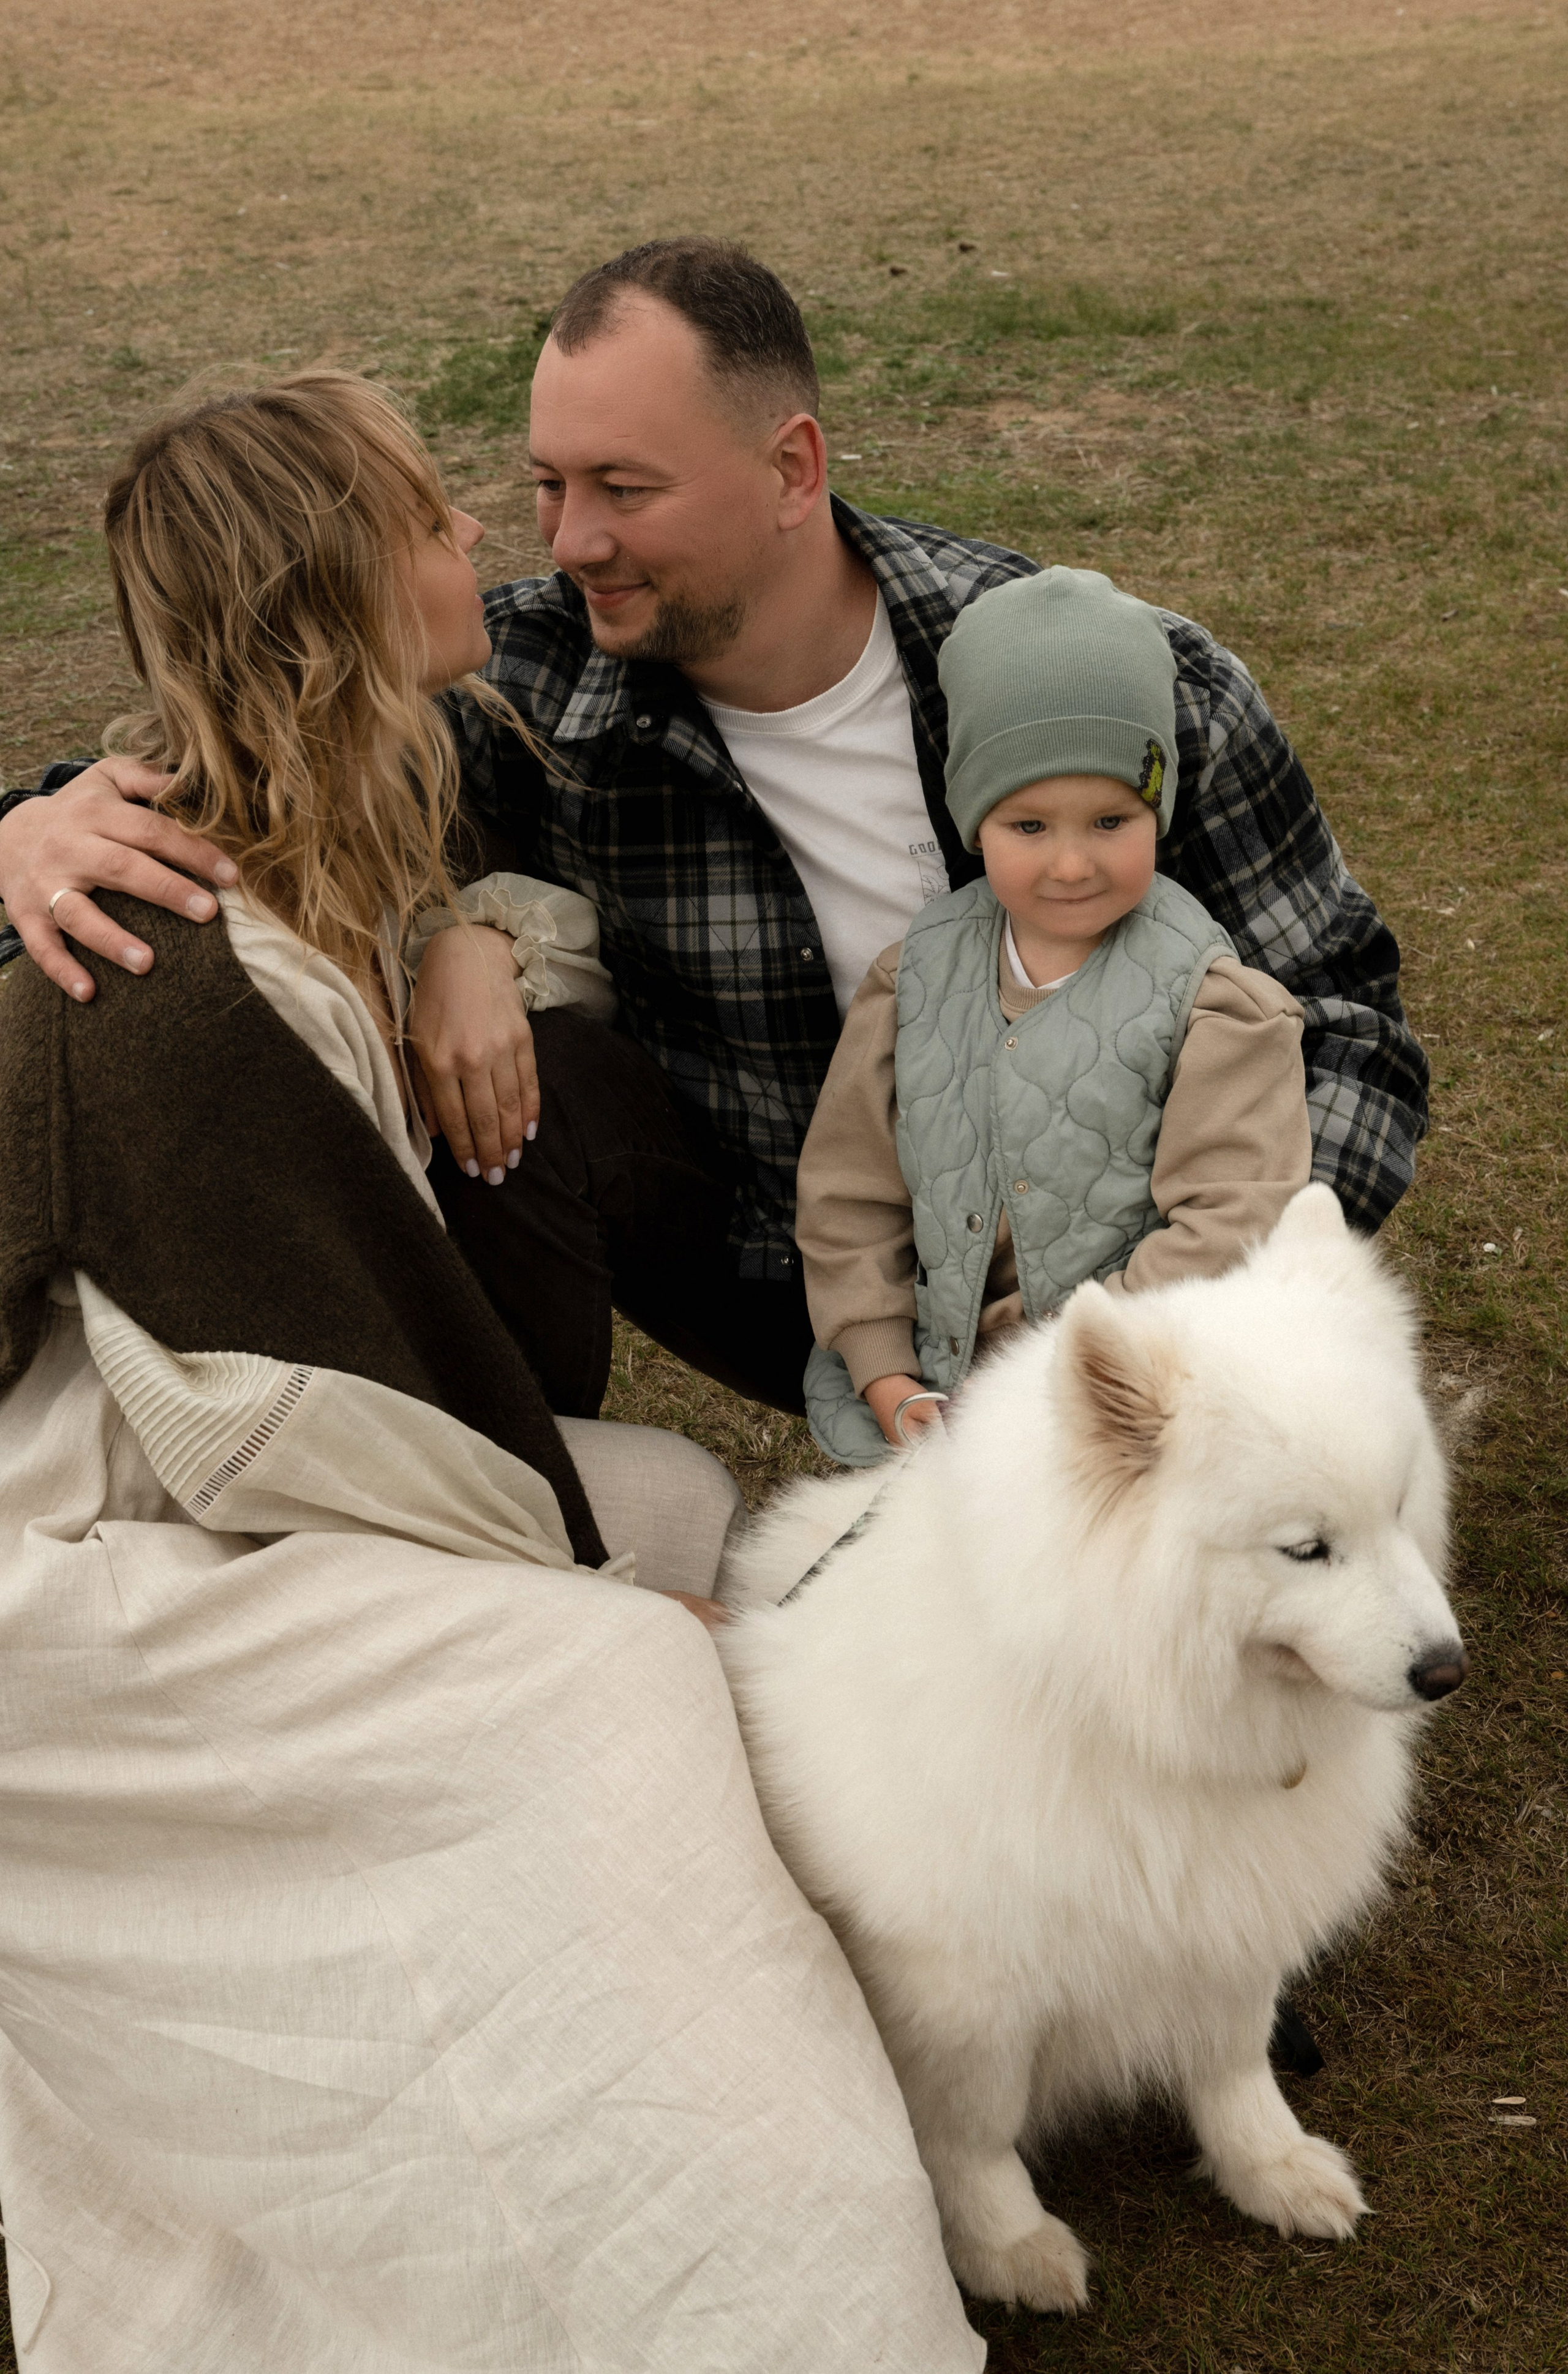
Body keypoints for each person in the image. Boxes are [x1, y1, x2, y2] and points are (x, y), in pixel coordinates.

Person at [0, 375, 986, 2373]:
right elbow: (317, 1406)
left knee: (683, 1515)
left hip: (251, 1467)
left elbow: (449, 1333)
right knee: (621, 1664)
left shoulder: (362, 815)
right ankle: (742, 2282)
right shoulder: (151, 969)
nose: (492, 543)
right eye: (440, 522)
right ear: (357, 588)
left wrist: (474, 945)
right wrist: (599, 1599)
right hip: (94, 1567)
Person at [0, 236, 1428, 1426]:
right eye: (549, 485)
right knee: (540, 1080)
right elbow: (256, 758)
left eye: (625, 491)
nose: (565, 543)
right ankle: (523, 1517)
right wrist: (34, 829)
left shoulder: (1110, 685)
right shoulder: (528, 683)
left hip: (1133, 1264)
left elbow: (1346, 1026)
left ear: (791, 469)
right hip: (793, 1266)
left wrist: (1178, 1302)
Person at [793, 564, 1313, 1463]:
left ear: (1158, 807)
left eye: (1111, 821)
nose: (1072, 865)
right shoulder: (912, 983)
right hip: (933, 1402)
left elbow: (1231, 1224)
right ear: (973, 821)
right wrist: (885, 1370)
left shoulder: (1214, 1009)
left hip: (1132, 1415)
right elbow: (848, 1196)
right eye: (1029, 827)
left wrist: (1065, 1369)